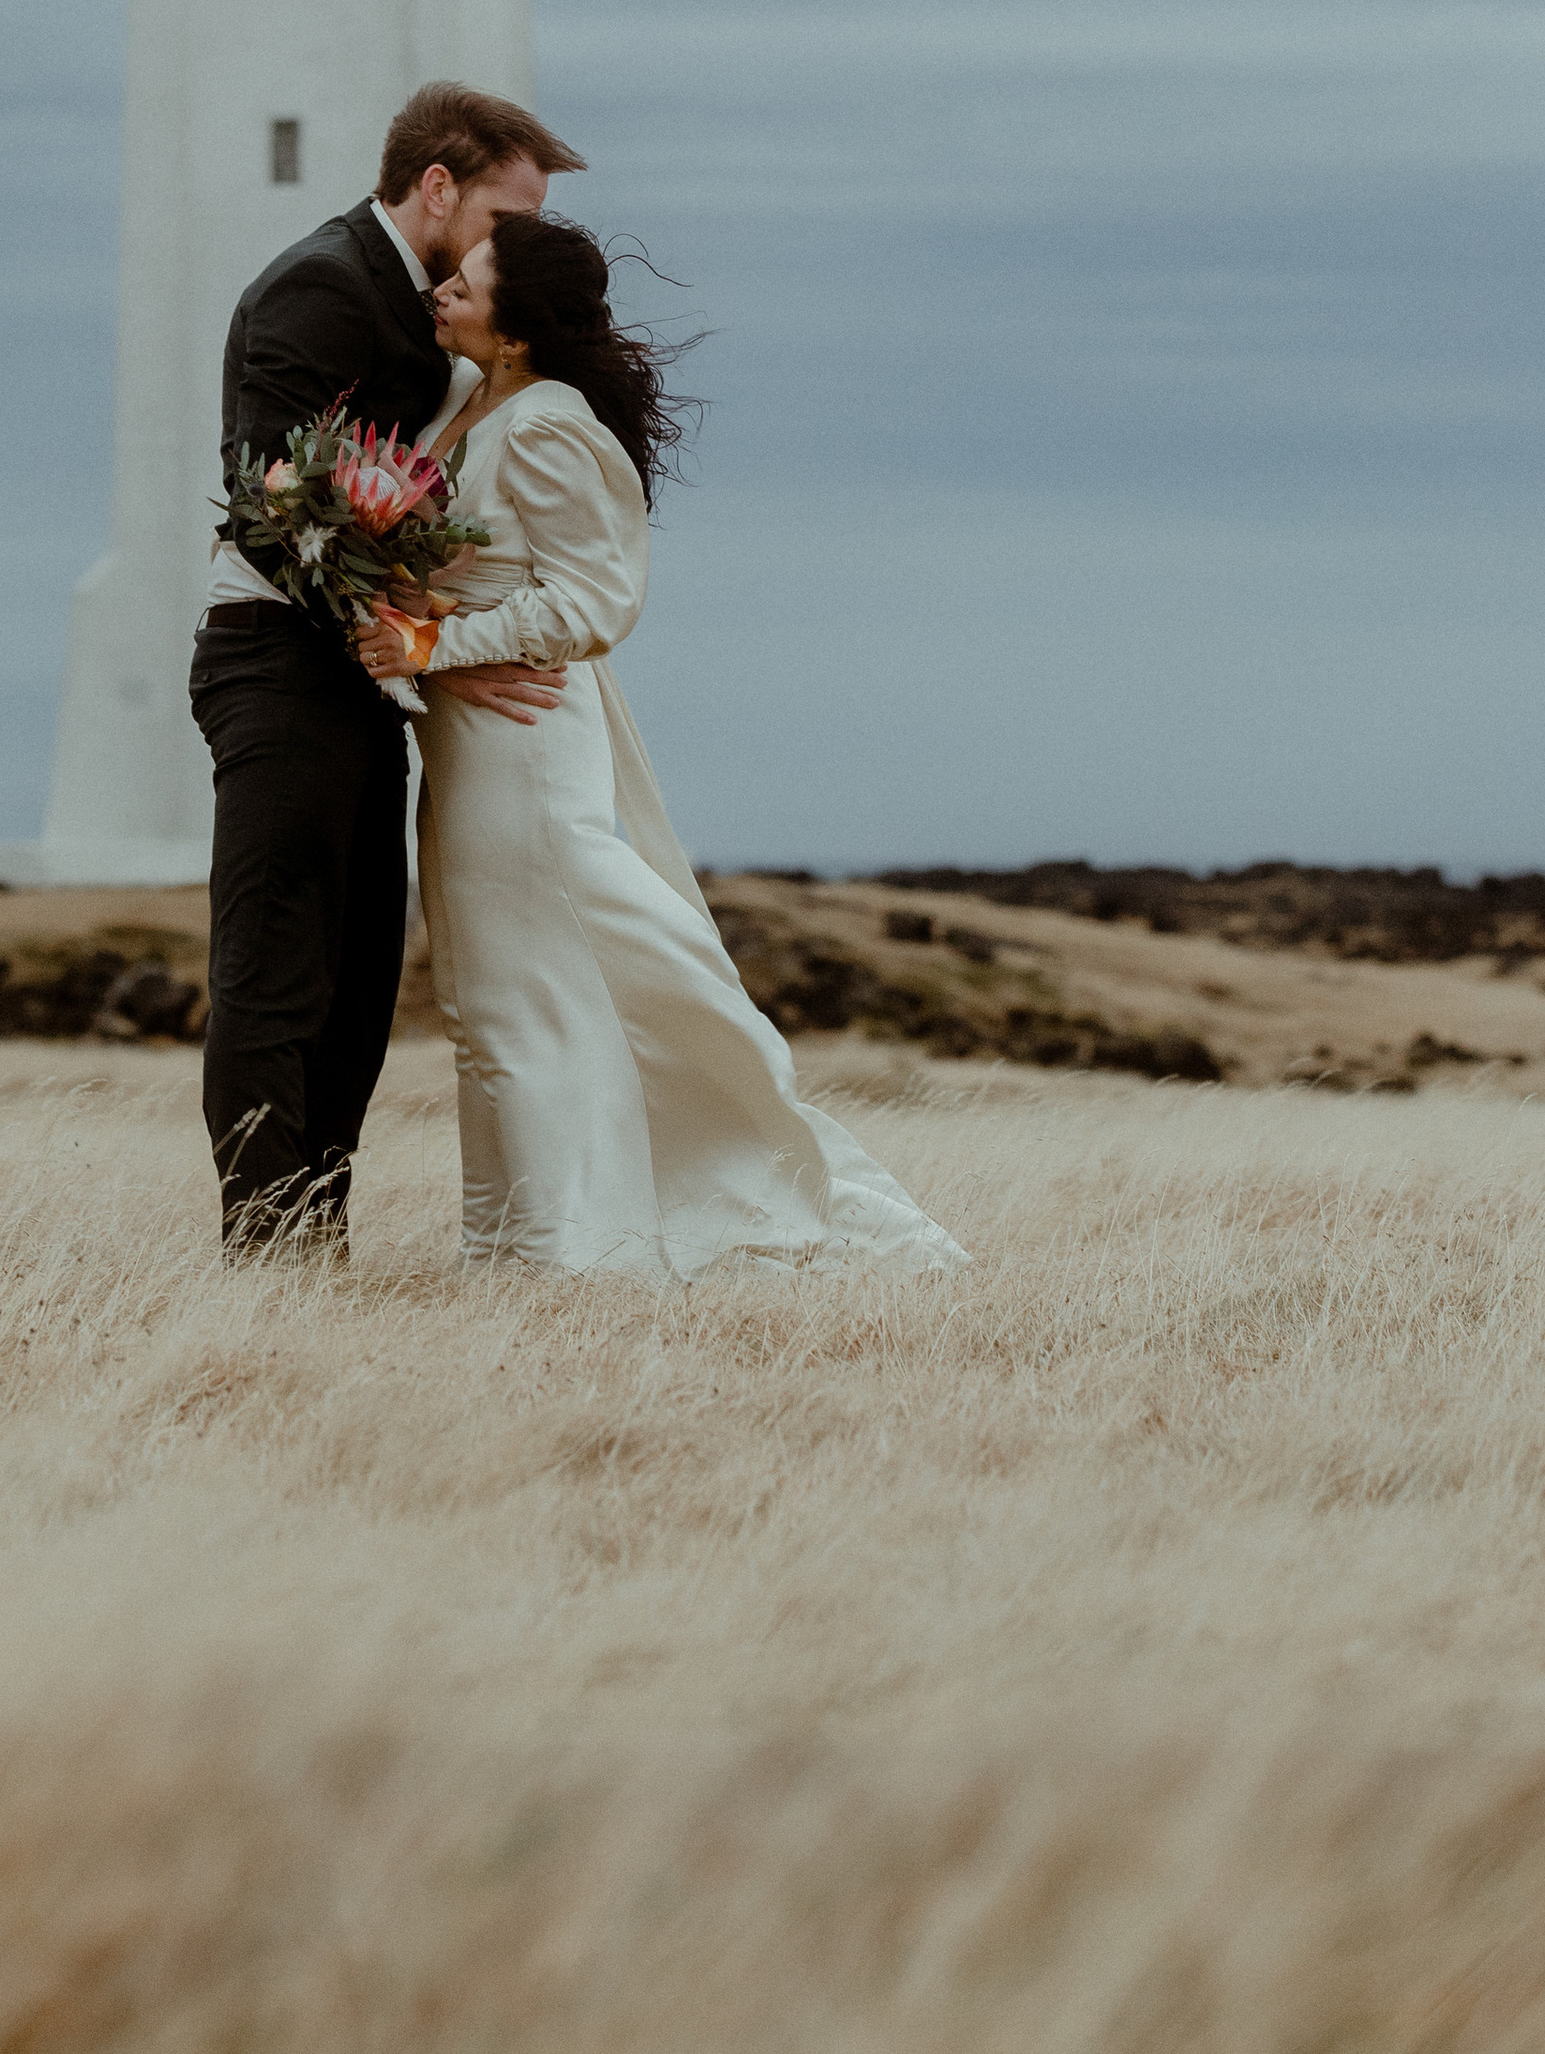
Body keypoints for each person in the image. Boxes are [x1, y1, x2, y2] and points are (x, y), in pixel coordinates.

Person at [358, 211, 967, 1283]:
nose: (443, 287)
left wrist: (426, 643)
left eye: (470, 281)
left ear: (519, 330)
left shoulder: (545, 425)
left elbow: (594, 602)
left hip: (527, 747)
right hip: (470, 741)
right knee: (488, 997)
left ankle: (574, 1258)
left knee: (532, 995)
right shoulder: (469, 409)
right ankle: (509, 1247)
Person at [191, 83, 588, 1258]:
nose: (518, 243)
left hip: (360, 675)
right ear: (436, 189)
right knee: (275, 972)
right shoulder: (320, 285)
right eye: (506, 216)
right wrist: (429, 650)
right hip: (276, 658)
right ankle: (265, 1258)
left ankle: (318, 1238)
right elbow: (274, 504)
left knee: (359, 981)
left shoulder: (433, 307)